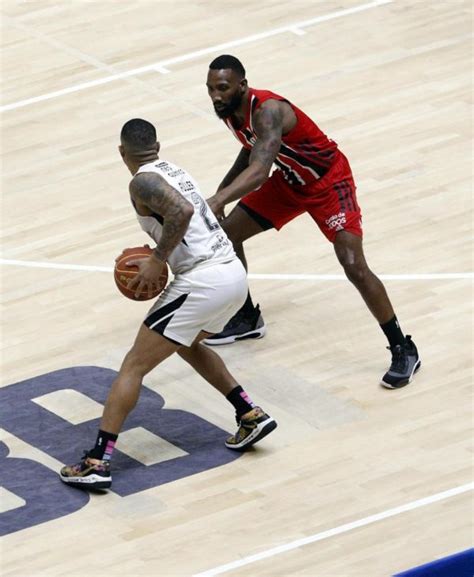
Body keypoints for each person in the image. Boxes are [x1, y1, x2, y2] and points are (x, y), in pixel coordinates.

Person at [60, 118, 277, 490]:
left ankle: (98, 460)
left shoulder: (141, 180)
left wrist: (159, 259)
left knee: (133, 365)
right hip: (232, 275)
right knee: (189, 344)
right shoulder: (172, 170)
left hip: (203, 280)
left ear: (121, 152)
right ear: (157, 146)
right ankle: (249, 413)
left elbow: (182, 213)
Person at [204, 54, 420, 389]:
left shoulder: (268, 110)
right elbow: (252, 149)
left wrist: (219, 199)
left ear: (242, 86)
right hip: (291, 182)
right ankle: (246, 317)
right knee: (227, 235)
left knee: (353, 265)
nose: (215, 95)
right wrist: (221, 192)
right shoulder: (231, 112)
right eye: (210, 88)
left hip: (329, 182)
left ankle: (403, 348)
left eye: (222, 88)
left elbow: (260, 171)